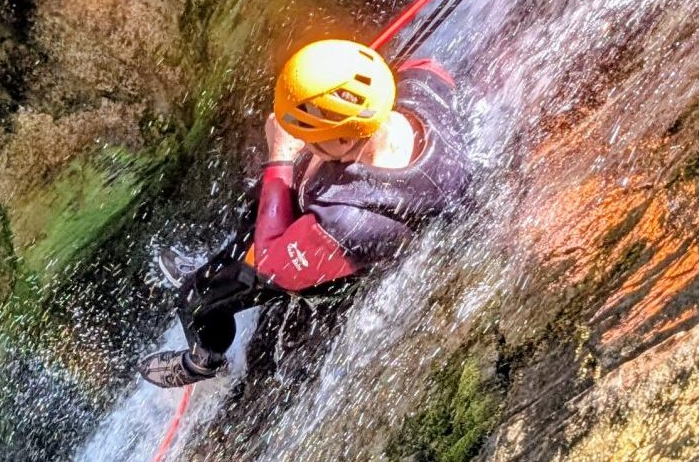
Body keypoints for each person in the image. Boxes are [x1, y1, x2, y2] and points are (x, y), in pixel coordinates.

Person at [138, 39, 471, 388]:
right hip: (348, 206)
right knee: (274, 186)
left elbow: (270, 263)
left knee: (196, 298)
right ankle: (228, 252)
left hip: (331, 262)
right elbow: (417, 69)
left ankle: (205, 360)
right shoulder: (421, 85)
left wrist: (281, 152)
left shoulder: (348, 223)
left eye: (309, 134)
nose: (299, 137)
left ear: (344, 141)